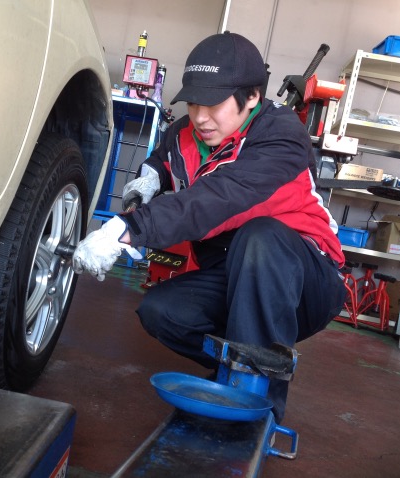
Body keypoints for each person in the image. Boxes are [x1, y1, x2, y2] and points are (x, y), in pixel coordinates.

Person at [72, 31, 346, 423]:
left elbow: (217, 198)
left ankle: (257, 412)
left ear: (251, 98)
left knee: (261, 236)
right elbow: (165, 157)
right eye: (193, 102)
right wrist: (150, 178)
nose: (200, 116)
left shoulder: (282, 136)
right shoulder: (186, 131)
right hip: (234, 271)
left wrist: (126, 229)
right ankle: (237, 374)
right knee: (161, 311)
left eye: (213, 104)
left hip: (305, 277)